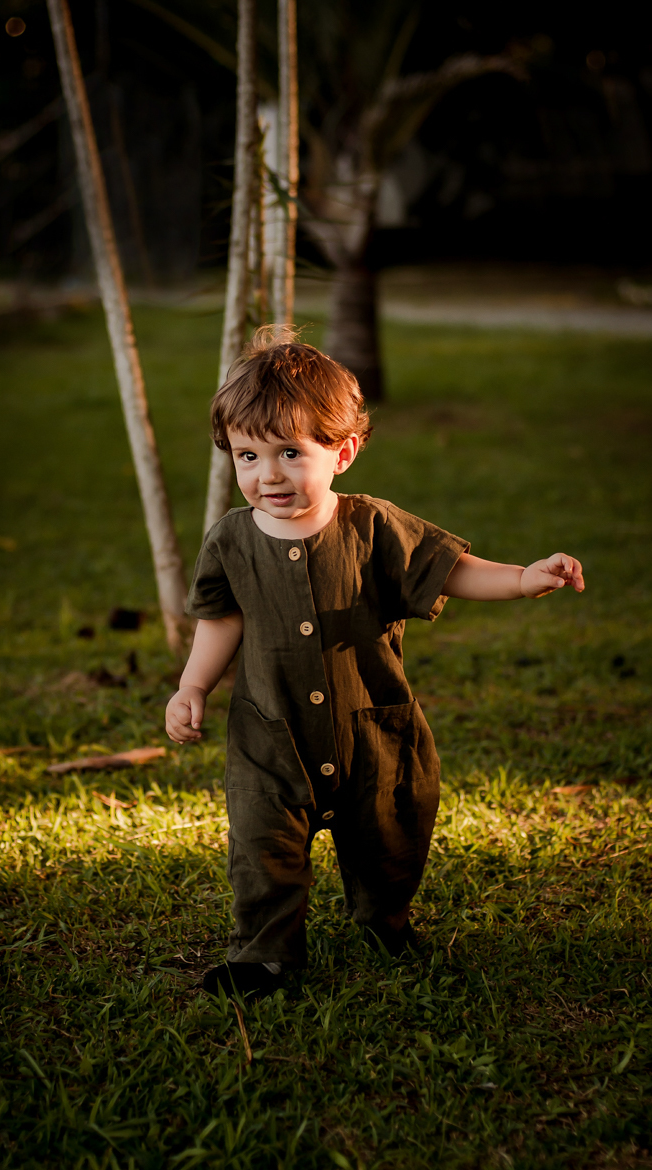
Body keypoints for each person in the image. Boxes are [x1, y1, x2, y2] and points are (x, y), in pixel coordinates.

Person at [166, 328, 584, 998]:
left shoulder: (375, 526)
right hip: (270, 734)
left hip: (373, 728)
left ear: (343, 451)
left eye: (288, 453)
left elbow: (451, 570)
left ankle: (385, 919)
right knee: (261, 846)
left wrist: (522, 577)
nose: (267, 473)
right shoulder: (231, 539)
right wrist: (193, 685)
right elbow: (222, 617)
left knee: (390, 833)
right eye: (247, 455)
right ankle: (264, 954)